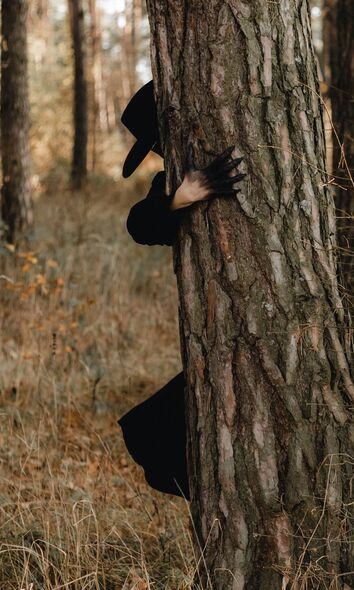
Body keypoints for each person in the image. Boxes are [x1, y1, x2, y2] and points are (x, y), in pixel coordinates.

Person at [116, 82, 245, 498]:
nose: (158, 153)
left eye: (155, 144)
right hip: (216, 324)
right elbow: (140, 225)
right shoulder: (169, 183)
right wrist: (179, 199)